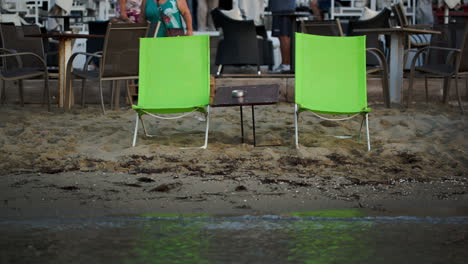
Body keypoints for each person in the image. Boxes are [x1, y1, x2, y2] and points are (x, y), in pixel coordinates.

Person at [269, 0, 295, 73]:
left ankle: (286, 65)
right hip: (281, 7)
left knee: (284, 35)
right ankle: (285, 64)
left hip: (282, 7)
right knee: (282, 36)